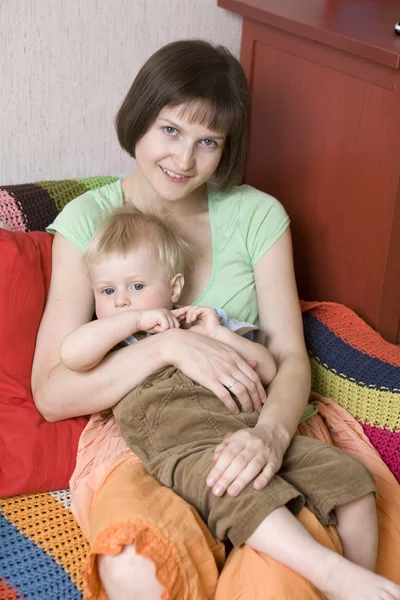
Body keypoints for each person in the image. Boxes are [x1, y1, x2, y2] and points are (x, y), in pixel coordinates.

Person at [30, 39, 399, 600]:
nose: (184, 160)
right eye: (170, 131)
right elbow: (53, 393)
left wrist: (270, 437)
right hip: (146, 431)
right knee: (136, 564)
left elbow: (289, 358)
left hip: (260, 421)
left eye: (208, 142)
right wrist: (168, 348)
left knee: (291, 562)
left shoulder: (258, 215)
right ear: (138, 120)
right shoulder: (88, 221)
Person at [59, 205, 386, 598]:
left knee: (349, 478)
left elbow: (268, 368)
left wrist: (221, 336)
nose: (123, 301)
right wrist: (133, 324)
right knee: (238, 487)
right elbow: (72, 354)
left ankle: (358, 579)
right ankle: (329, 572)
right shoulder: (112, 338)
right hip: (183, 444)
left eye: (137, 287)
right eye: (108, 291)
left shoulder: (204, 320)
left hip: (245, 429)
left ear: (174, 287)